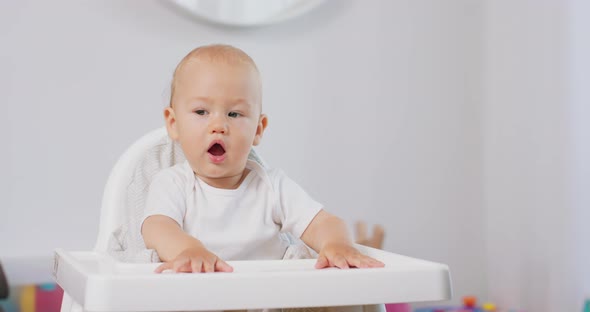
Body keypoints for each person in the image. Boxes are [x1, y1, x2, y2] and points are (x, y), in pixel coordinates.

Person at [141, 44, 385, 274]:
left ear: (258, 129)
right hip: (200, 297)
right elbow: (157, 228)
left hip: (268, 300)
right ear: (173, 124)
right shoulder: (173, 183)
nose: (219, 126)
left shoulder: (272, 186)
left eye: (234, 113)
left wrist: (336, 244)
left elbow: (322, 222)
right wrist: (188, 250)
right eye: (201, 112)